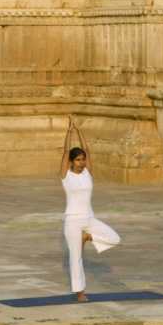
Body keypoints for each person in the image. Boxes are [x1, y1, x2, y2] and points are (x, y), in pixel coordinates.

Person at [59, 117, 120, 301]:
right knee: (75, 258)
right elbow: (64, 152)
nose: (82, 162)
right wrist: (69, 132)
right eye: (78, 160)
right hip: (72, 221)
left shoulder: (87, 173)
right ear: (71, 161)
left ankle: (89, 237)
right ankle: (80, 293)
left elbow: (89, 151)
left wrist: (80, 130)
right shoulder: (66, 176)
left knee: (115, 238)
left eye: (83, 159)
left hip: (89, 218)